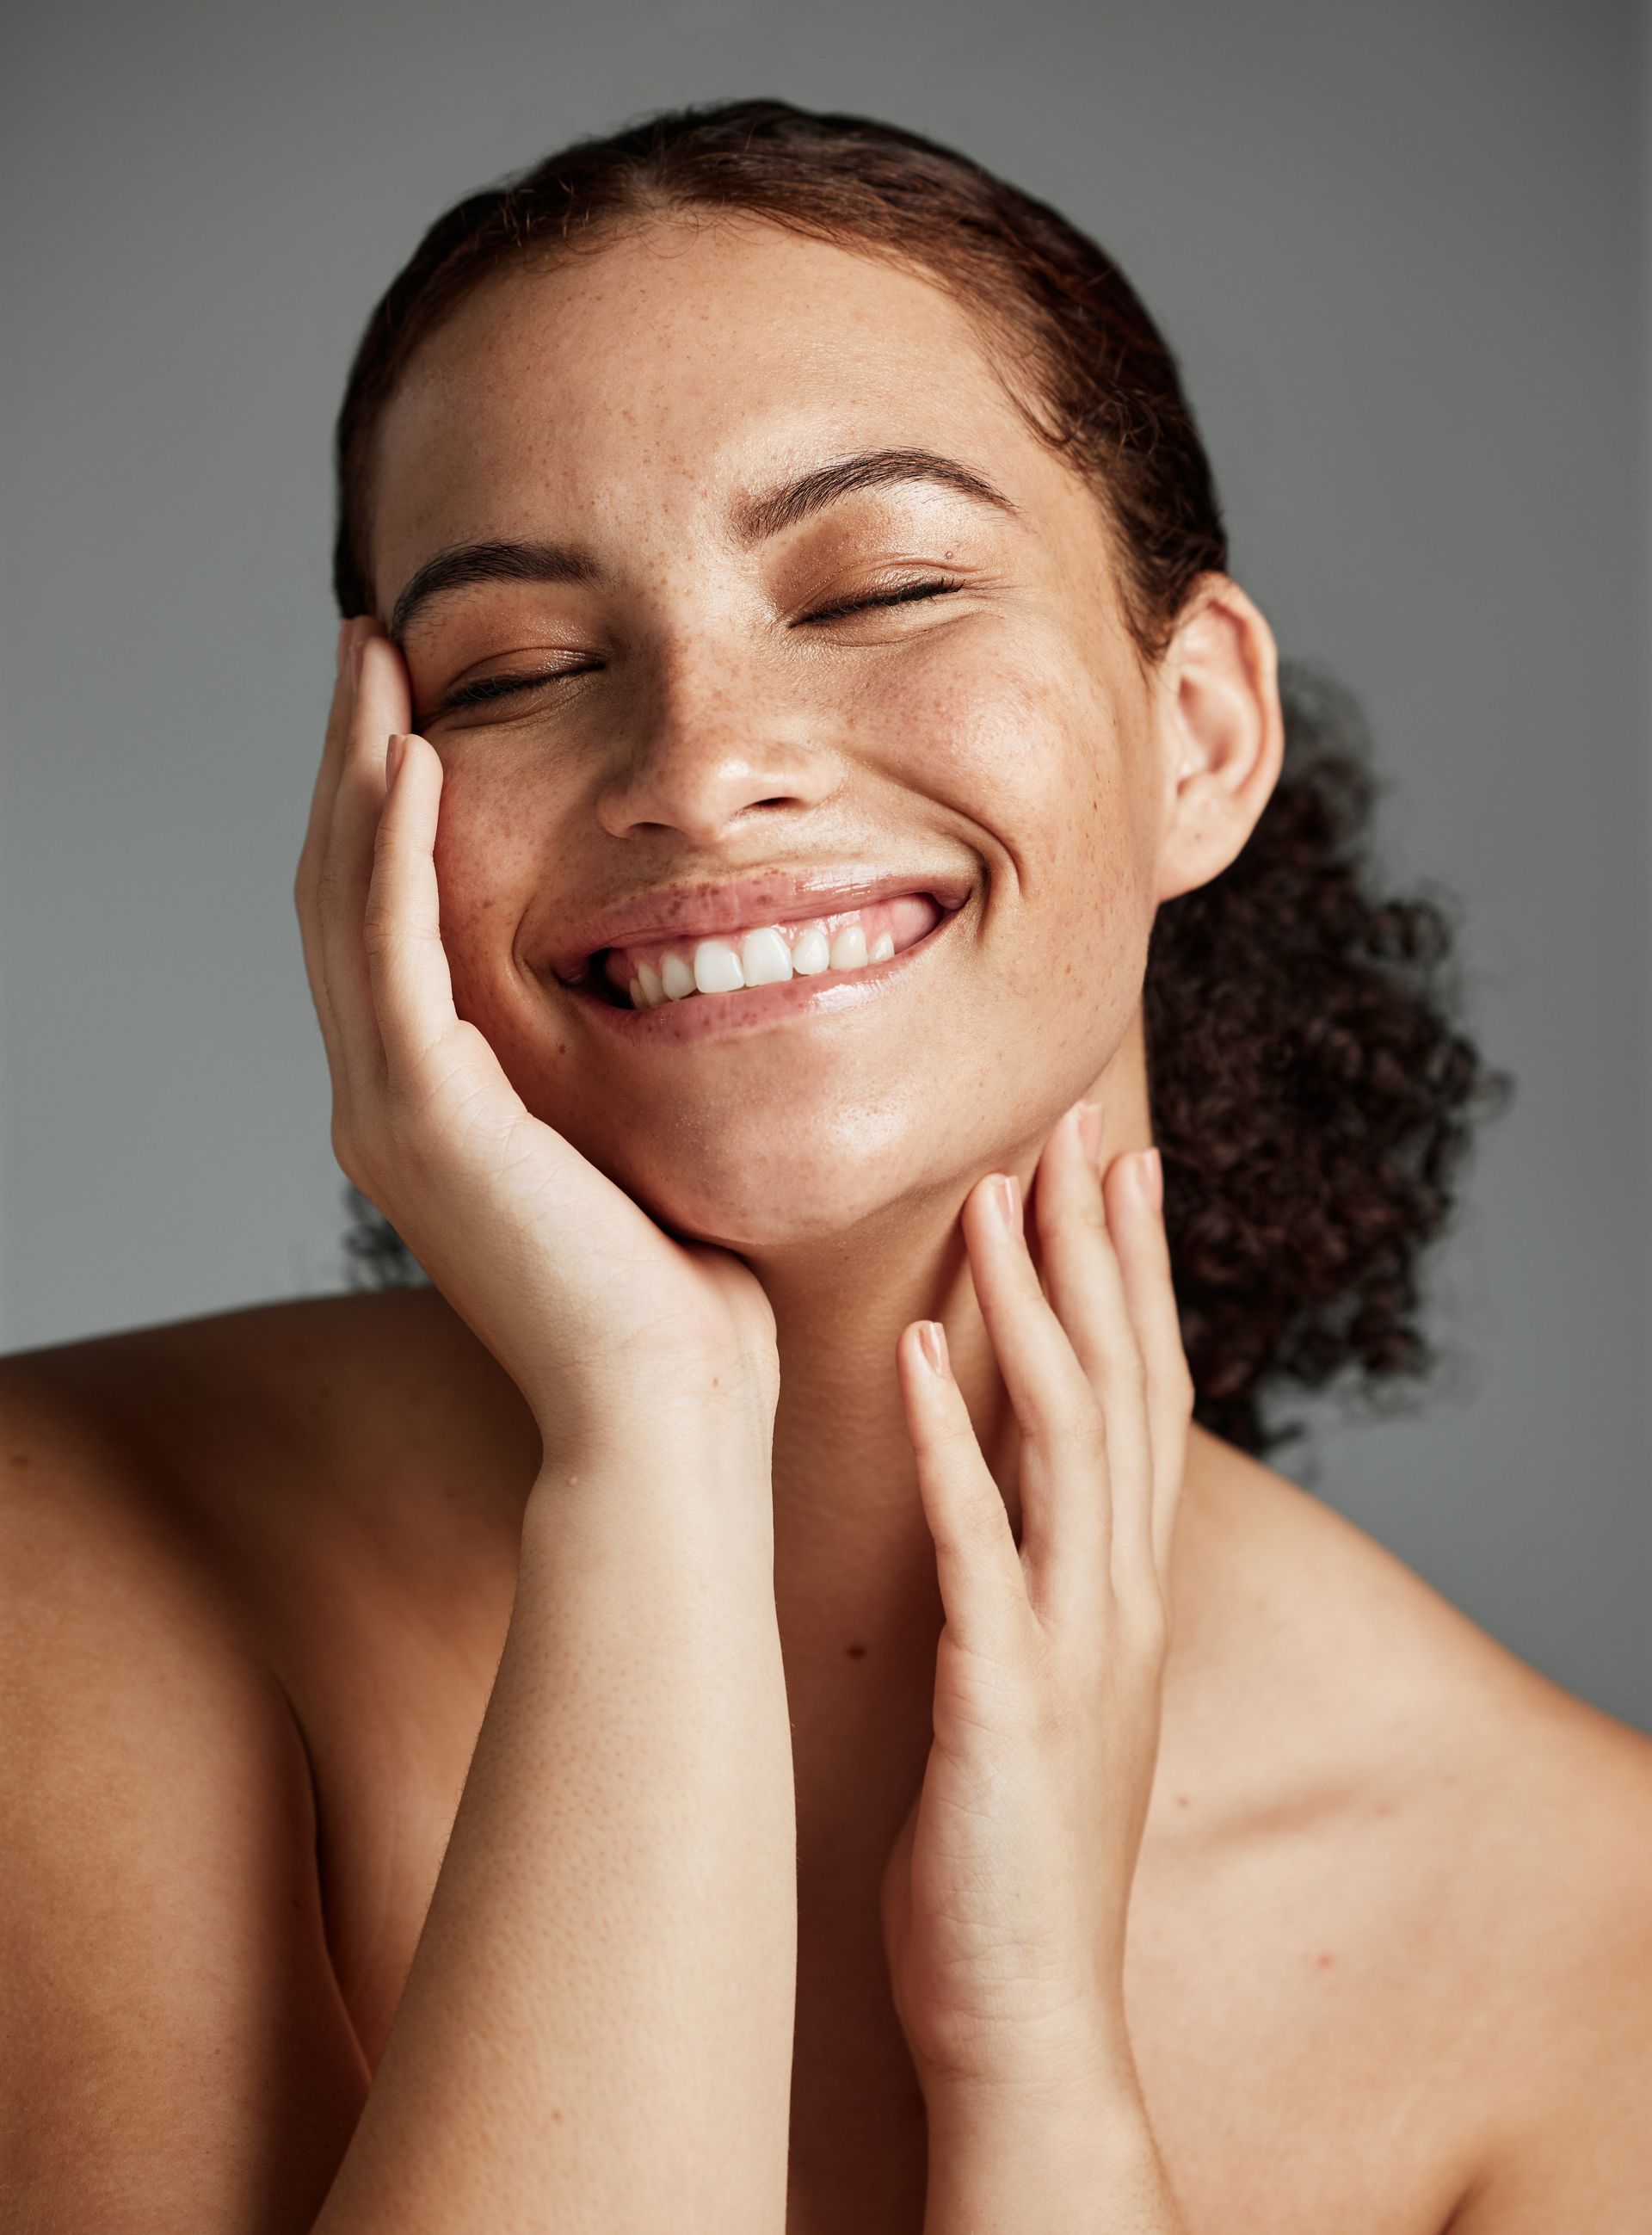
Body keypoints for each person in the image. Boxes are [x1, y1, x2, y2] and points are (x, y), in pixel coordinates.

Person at [3, 96, 1648, 2235]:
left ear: (1202, 737)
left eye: (879, 589)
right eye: (517, 669)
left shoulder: (1593, 1944)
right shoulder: (61, 1577)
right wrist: (654, 1463)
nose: (700, 767)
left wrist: (1039, 2065)